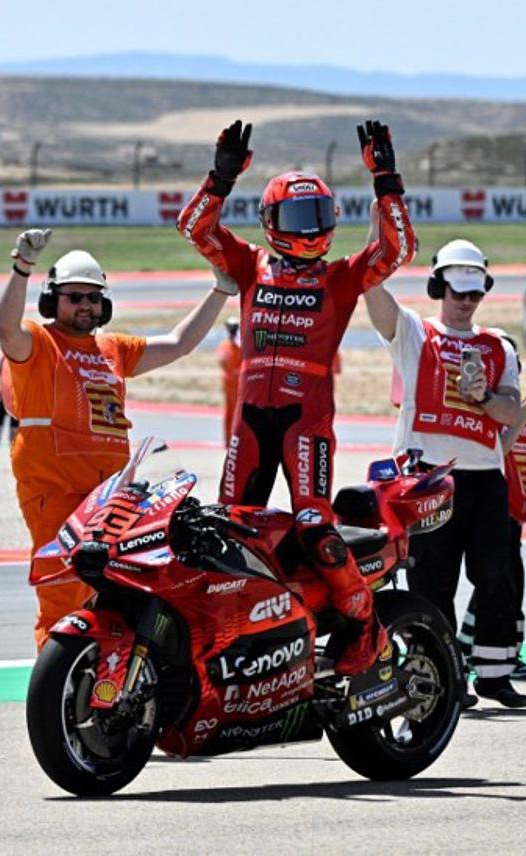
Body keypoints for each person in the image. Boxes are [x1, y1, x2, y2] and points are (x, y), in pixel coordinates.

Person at [177, 118, 415, 675]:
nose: (310, 229)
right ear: (269, 223)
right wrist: (219, 178)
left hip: (306, 422)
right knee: (228, 528)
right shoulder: (247, 265)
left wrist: (386, 178)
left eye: (318, 217)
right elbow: (193, 229)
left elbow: (398, 247)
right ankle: (243, 636)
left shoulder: (340, 276)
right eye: (297, 218)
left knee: (314, 525)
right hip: (250, 421)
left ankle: (362, 621)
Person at [0, 228, 230, 650]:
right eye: (74, 296)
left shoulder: (113, 348)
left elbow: (178, 344)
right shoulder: (39, 343)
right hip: (57, 493)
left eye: (92, 297)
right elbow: (5, 329)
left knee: (120, 591)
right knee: (63, 597)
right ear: (53, 300)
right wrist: (21, 269)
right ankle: (57, 696)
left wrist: (220, 290)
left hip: (111, 498)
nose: (85, 305)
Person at [364, 238, 526, 708]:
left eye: (474, 294)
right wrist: (373, 255)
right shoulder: (414, 332)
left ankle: (496, 675)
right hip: (427, 476)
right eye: (458, 292)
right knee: (432, 581)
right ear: (439, 286)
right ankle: (440, 677)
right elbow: (374, 297)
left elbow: (510, 411)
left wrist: (482, 397)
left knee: (498, 575)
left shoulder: (498, 345)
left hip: (484, 476)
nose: (465, 303)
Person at [458, 334, 526, 683]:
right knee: (498, 583)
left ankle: (507, 649)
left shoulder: (520, 412)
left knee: (510, 584)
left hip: (517, 511)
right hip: (495, 509)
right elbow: (500, 449)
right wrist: (521, 419)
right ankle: (481, 648)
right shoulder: (497, 416)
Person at [215, 316, 242, 445]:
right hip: (230, 383)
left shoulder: (239, 344)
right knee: (231, 410)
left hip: (240, 383)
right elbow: (222, 361)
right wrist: (232, 372)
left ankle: (237, 438)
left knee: (240, 411)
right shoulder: (225, 345)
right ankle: (228, 439)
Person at [0, 352, 19, 449]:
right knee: (5, 417)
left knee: (4, 418)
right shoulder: (7, 354)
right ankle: (1, 440)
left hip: (8, 390)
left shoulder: (0, 356)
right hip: (11, 391)